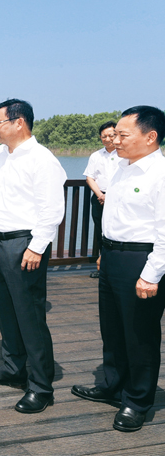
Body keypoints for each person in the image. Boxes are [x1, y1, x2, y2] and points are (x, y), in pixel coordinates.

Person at [71, 106, 165, 433]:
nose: (116, 140)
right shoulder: (122, 167)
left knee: (140, 333)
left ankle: (137, 401)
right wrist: (103, 252)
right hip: (112, 255)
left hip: (141, 259)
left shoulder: (160, 173)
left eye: (123, 135)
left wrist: (151, 274)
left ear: (150, 137)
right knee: (112, 328)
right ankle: (113, 384)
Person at [0, 99, 66, 414]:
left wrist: (37, 247)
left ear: (19, 122)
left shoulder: (42, 159)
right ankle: (13, 368)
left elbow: (52, 208)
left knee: (30, 317)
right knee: (6, 311)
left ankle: (41, 387)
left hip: (24, 244)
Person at [83, 121, 119, 278]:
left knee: (117, 231)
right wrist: (100, 195)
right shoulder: (95, 155)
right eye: (104, 136)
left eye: (111, 135)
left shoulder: (124, 154)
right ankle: (103, 267)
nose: (108, 139)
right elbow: (89, 178)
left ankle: (116, 266)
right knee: (100, 231)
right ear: (100, 137)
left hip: (119, 199)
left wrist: (110, 196)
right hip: (99, 198)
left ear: (117, 135)